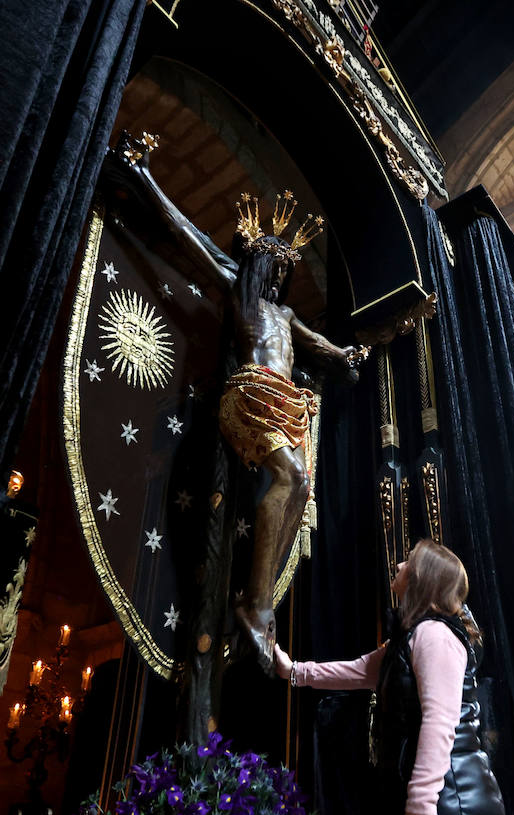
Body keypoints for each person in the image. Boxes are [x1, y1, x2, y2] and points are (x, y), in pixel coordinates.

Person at [109, 133, 367, 673]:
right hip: (248, 396)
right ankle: (256, 603)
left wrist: (350, 357)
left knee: (299, 487)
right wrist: (145, 176)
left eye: (286, 269)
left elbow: (327, 353)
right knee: (292, 478)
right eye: (275, 263)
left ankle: (256, 597)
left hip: (284, 404)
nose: (280, 273)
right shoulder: (238, 288)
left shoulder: (287, 317)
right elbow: (187, 235)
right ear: (259, 262)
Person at [273, 540, 508, 815]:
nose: (398, 565)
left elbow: (439, 723)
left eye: (408, 561)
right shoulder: (411, 637)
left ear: (421, 578)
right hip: (434, 814)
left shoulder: (435, 636)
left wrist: (421, 808)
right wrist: (294, 672)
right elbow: (359, 670)